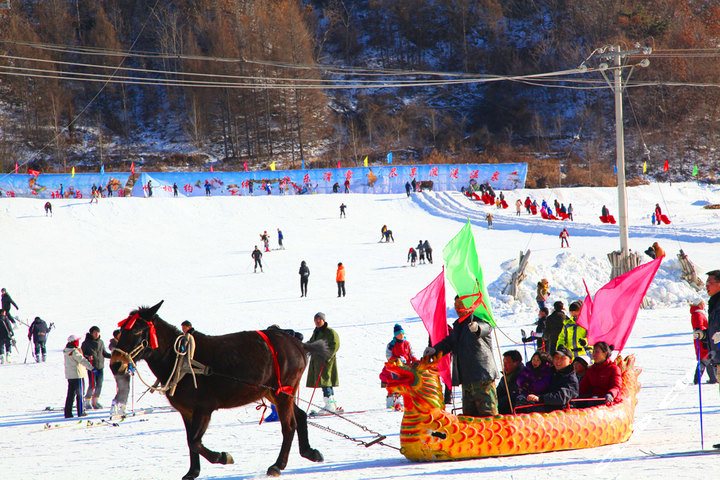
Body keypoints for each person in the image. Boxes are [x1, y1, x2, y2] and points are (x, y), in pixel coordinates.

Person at [423, 296, 499, 417]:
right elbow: (450, 342)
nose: (457, 308)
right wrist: (434, 349)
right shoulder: (459, 325)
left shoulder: (478, 319)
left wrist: (476, 328)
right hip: (466, 378)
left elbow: (486, 327)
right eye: (456, 305)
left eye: (461, 305)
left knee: (488, 416)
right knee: (469, 417)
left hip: (482, 377)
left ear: (469, 306)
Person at [525, 345, 579, 412]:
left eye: (562, 358)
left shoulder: (570, 378)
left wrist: (540, 398)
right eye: (556, 358)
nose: (558, 361)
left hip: (564, 410)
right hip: (548, 407)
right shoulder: (550, 372)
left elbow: (561, 397)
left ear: (570, 361)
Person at [307, 312, 341, 412]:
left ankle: (329, 405)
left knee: (325, 382)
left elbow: (335, 344)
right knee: (326, 382)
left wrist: (327, 356)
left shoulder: (330, 332)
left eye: (319, 320)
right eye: (315, 320)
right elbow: (311, 342)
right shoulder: (316, 332)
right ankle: (332, 403)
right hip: (318, 362)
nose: (317, 322)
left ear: (323, 320)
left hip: (326, 362)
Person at [578, 342, 622, 407]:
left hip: (608, 400)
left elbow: (616, 386)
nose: (593, 355)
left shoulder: (613, 369)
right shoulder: (591, 369)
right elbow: (583, 387)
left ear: (605, 353)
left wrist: (611, 394)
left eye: (597, 352)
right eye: (593, 352)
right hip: (594, 398)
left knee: (593, 402)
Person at [385, 324, 418, 408]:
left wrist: (415, 361)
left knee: (409, 382)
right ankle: (394, 401)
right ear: (396, 335)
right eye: (399, 334)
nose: (401, 335)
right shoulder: (391, 345)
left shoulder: (407, 344)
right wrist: (396, 360)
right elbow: (388, 355)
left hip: (406, 366)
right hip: (396, 367)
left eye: (402, 333)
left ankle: (408, 400)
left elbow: (411, 354)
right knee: (397, 382)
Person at [81, 326, 111, 409]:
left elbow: (104, 353)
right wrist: (87, 357)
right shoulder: (86, 343)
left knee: (99, 384)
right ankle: (87, 401)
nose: (96, 334)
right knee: (92, 384)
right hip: (91, 367)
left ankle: (96, 401)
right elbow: (82, 355)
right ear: (91, 333)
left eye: (98, 332)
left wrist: (113, 356)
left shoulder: (101, 342)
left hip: (100, 366)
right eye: (95, 332)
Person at [64, 335, 93, 418]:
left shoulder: (67, 351)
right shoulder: (74, 351)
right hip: (78, 375)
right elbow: (82, 360)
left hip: (70, 376)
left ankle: (68, 412)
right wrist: (91, 368)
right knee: (80, 393)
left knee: (70, 394)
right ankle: (80, 411)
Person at [691, 300, 718, 384]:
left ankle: (712, 378)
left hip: (704, 339)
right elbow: (699, 326)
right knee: (705, 359)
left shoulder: (698, 313)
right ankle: (698, 379)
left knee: (707, 359)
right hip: (703, 340)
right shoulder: (698, 314)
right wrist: (704, 333)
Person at [108, 329, 131, 415]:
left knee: (126, 388)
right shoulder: (115, 343)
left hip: (125, 366)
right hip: (118, 366)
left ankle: (122, 406)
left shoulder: (125, 343)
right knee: (123, 388)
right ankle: (116, 404)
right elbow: (112, 347)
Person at [496, 350, 524, 415]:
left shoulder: (524, 376)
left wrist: (498, 404)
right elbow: (497, 393)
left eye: (507, 362)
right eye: (503, 362)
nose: (504, 365)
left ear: (516, 363)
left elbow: (513, 396)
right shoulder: (504, 378)